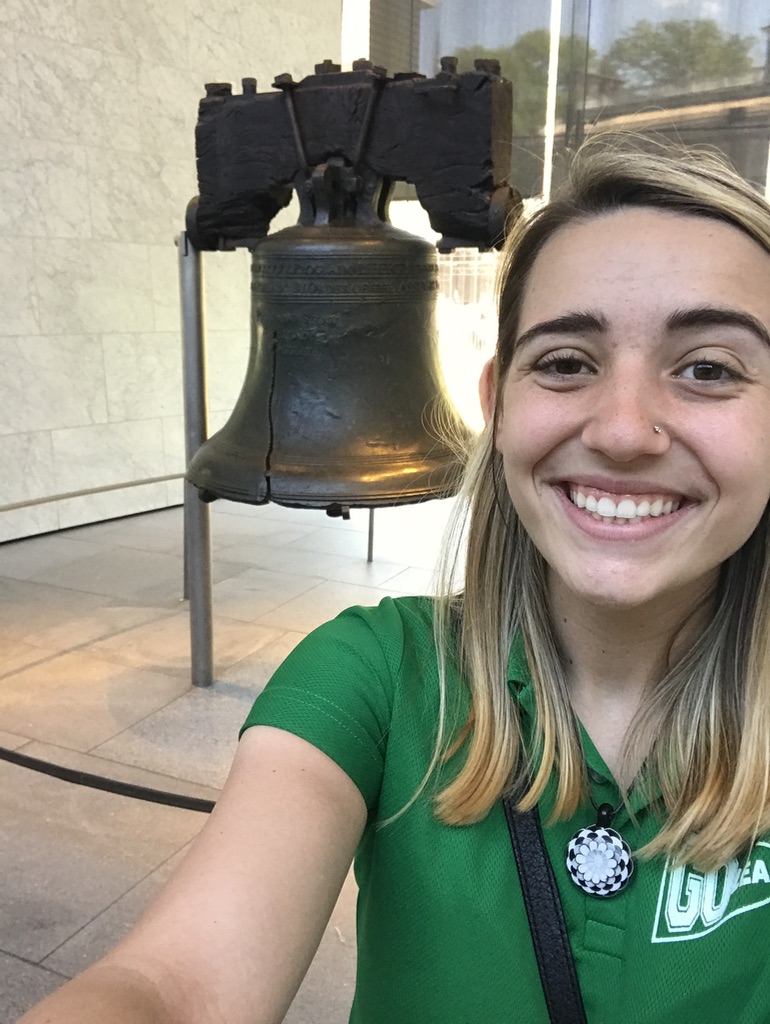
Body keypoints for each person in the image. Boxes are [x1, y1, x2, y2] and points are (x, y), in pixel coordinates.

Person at [19, 137, 770, 1024]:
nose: (622, 430)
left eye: (708, 369)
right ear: (498, 405)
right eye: (566, 363)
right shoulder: (375, 676)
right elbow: (177, 989)